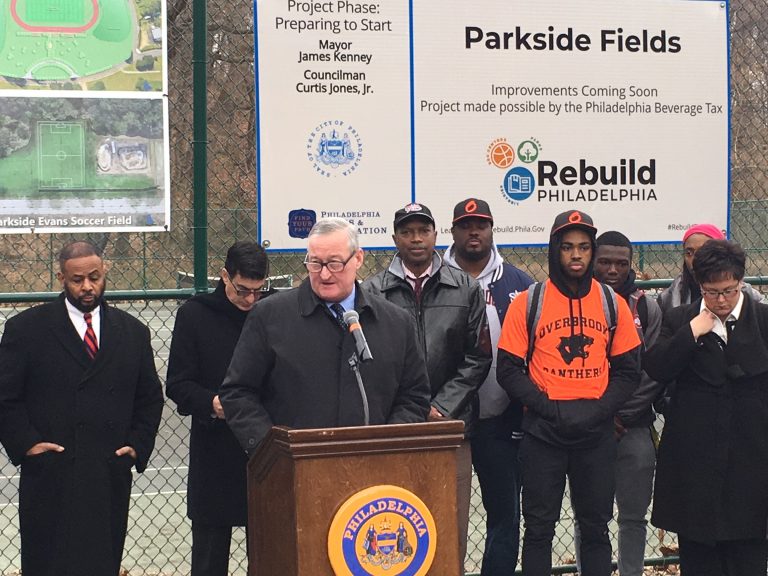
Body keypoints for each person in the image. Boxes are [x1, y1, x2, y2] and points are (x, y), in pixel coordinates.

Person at [0, 241, 164, 576]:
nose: (87, 286)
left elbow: (149, 397)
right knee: (49, 563)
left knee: (101, 562)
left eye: (94, 277)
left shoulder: (132, 332)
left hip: (107, 472)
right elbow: (5, 396)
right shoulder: (26, 329)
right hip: (50, 474)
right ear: (61, 277)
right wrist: (26, 443)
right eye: (77, 279)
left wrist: (136, 445)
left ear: (105, 272)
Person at [496, 210, 641, 576]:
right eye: (567, 247)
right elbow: (508, 370)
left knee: (595, 530)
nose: (576, 255)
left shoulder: (612, 303)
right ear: (554, 250)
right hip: (544, 432)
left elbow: (628, 371)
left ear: (592, 252)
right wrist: (548, 407)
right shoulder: (529, 302)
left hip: (595, 433)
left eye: (583, 247)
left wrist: (598, 411)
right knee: (539, 531)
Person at [219, 218, 430, 456]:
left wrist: (386, 445)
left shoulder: (396, 323)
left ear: (358, 258)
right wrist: (272, 450)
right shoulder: (270, 316)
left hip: (375, 470)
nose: (325, 274)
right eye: (315, 263)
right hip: (292, 471)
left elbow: (414, 396)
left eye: (335, 263)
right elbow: (238, 392)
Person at [362, 202, 491, 571]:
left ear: (437, 235)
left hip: (450, 429)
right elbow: (367, 361)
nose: (416, 239)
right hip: (393, 429)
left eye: (423, 230)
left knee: (450, 524)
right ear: (394, 238)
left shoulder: (465, 287)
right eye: (407, 232)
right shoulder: (371, 291)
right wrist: (406, 410)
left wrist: (442, 408)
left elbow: (478, 356)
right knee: (395, 521)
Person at [645, 239, 768, 576]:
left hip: (751, 464)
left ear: (741, 281)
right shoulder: (680, 319)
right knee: (699, 559)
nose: (722, 300)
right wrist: (692, 332)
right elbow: (657, 367)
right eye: (712, 292)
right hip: (695, 467)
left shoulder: (761, 319)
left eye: (729, 290)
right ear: (700, 286)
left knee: (748, 559)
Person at [166, 241, 272, 576]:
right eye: (242, 290)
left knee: (271, 551)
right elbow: (178, 385)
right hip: (215, 449)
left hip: (266, 449)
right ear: (225, 276)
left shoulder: (273, 312)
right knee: (210, 555)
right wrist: (211, 404)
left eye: (258, 290)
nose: (250, 300)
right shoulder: (195, 315)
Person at [443, 197, 533, 575]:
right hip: (448, 421)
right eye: (466, 225)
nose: (474, 231)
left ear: (492, 229)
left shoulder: (518, 283)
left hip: (500, 419)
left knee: (505, 516)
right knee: (445, 516)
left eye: (481, 224)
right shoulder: (434, 279)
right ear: (453, 232)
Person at [587, 230, 663, 576]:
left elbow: (652, 371)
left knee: (633, 515)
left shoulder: (645, 306)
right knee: (590, 515)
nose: (613, 269)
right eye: (605, 262)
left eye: (621, 263)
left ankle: (632, 572)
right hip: (587, 427)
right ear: (592, 261)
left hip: (632, 427)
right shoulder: (574, 302)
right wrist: (598, 414)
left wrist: (619, 414)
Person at [658, 223, 760, 315]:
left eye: (703, 251)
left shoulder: (751, 298)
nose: (694, 260)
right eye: (689, 253)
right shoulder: (669, 298)